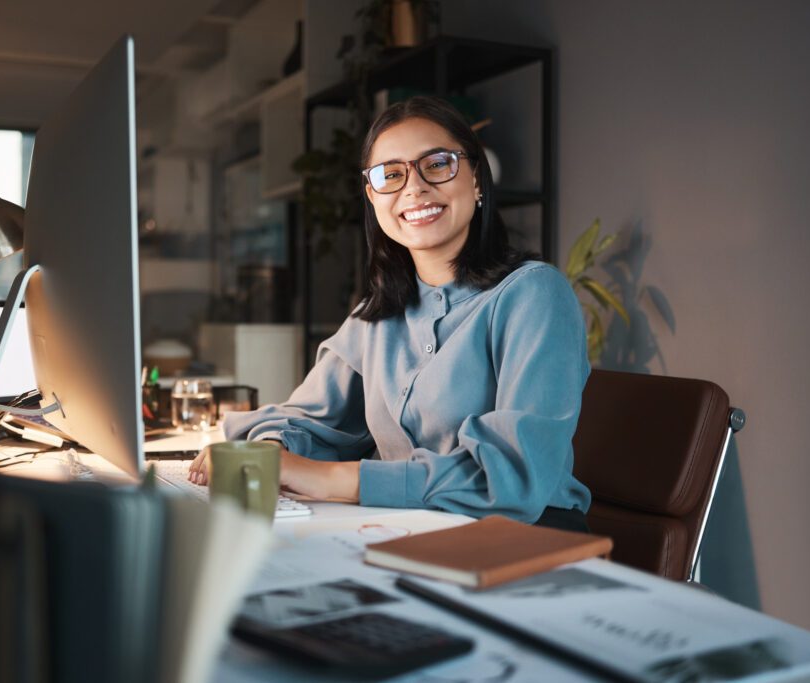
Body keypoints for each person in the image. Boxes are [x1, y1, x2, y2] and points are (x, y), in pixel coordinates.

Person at [190, 95, 591, 529]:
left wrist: (335, 478)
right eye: (391, 175)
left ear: (476, 179)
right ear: (373, 198)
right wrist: (268, 451)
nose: (414, 188)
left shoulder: (533, 294)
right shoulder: (376, 313)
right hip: (410, 529)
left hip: (527, 541)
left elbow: (515, 478)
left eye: (437, 164)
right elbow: (308, 417)